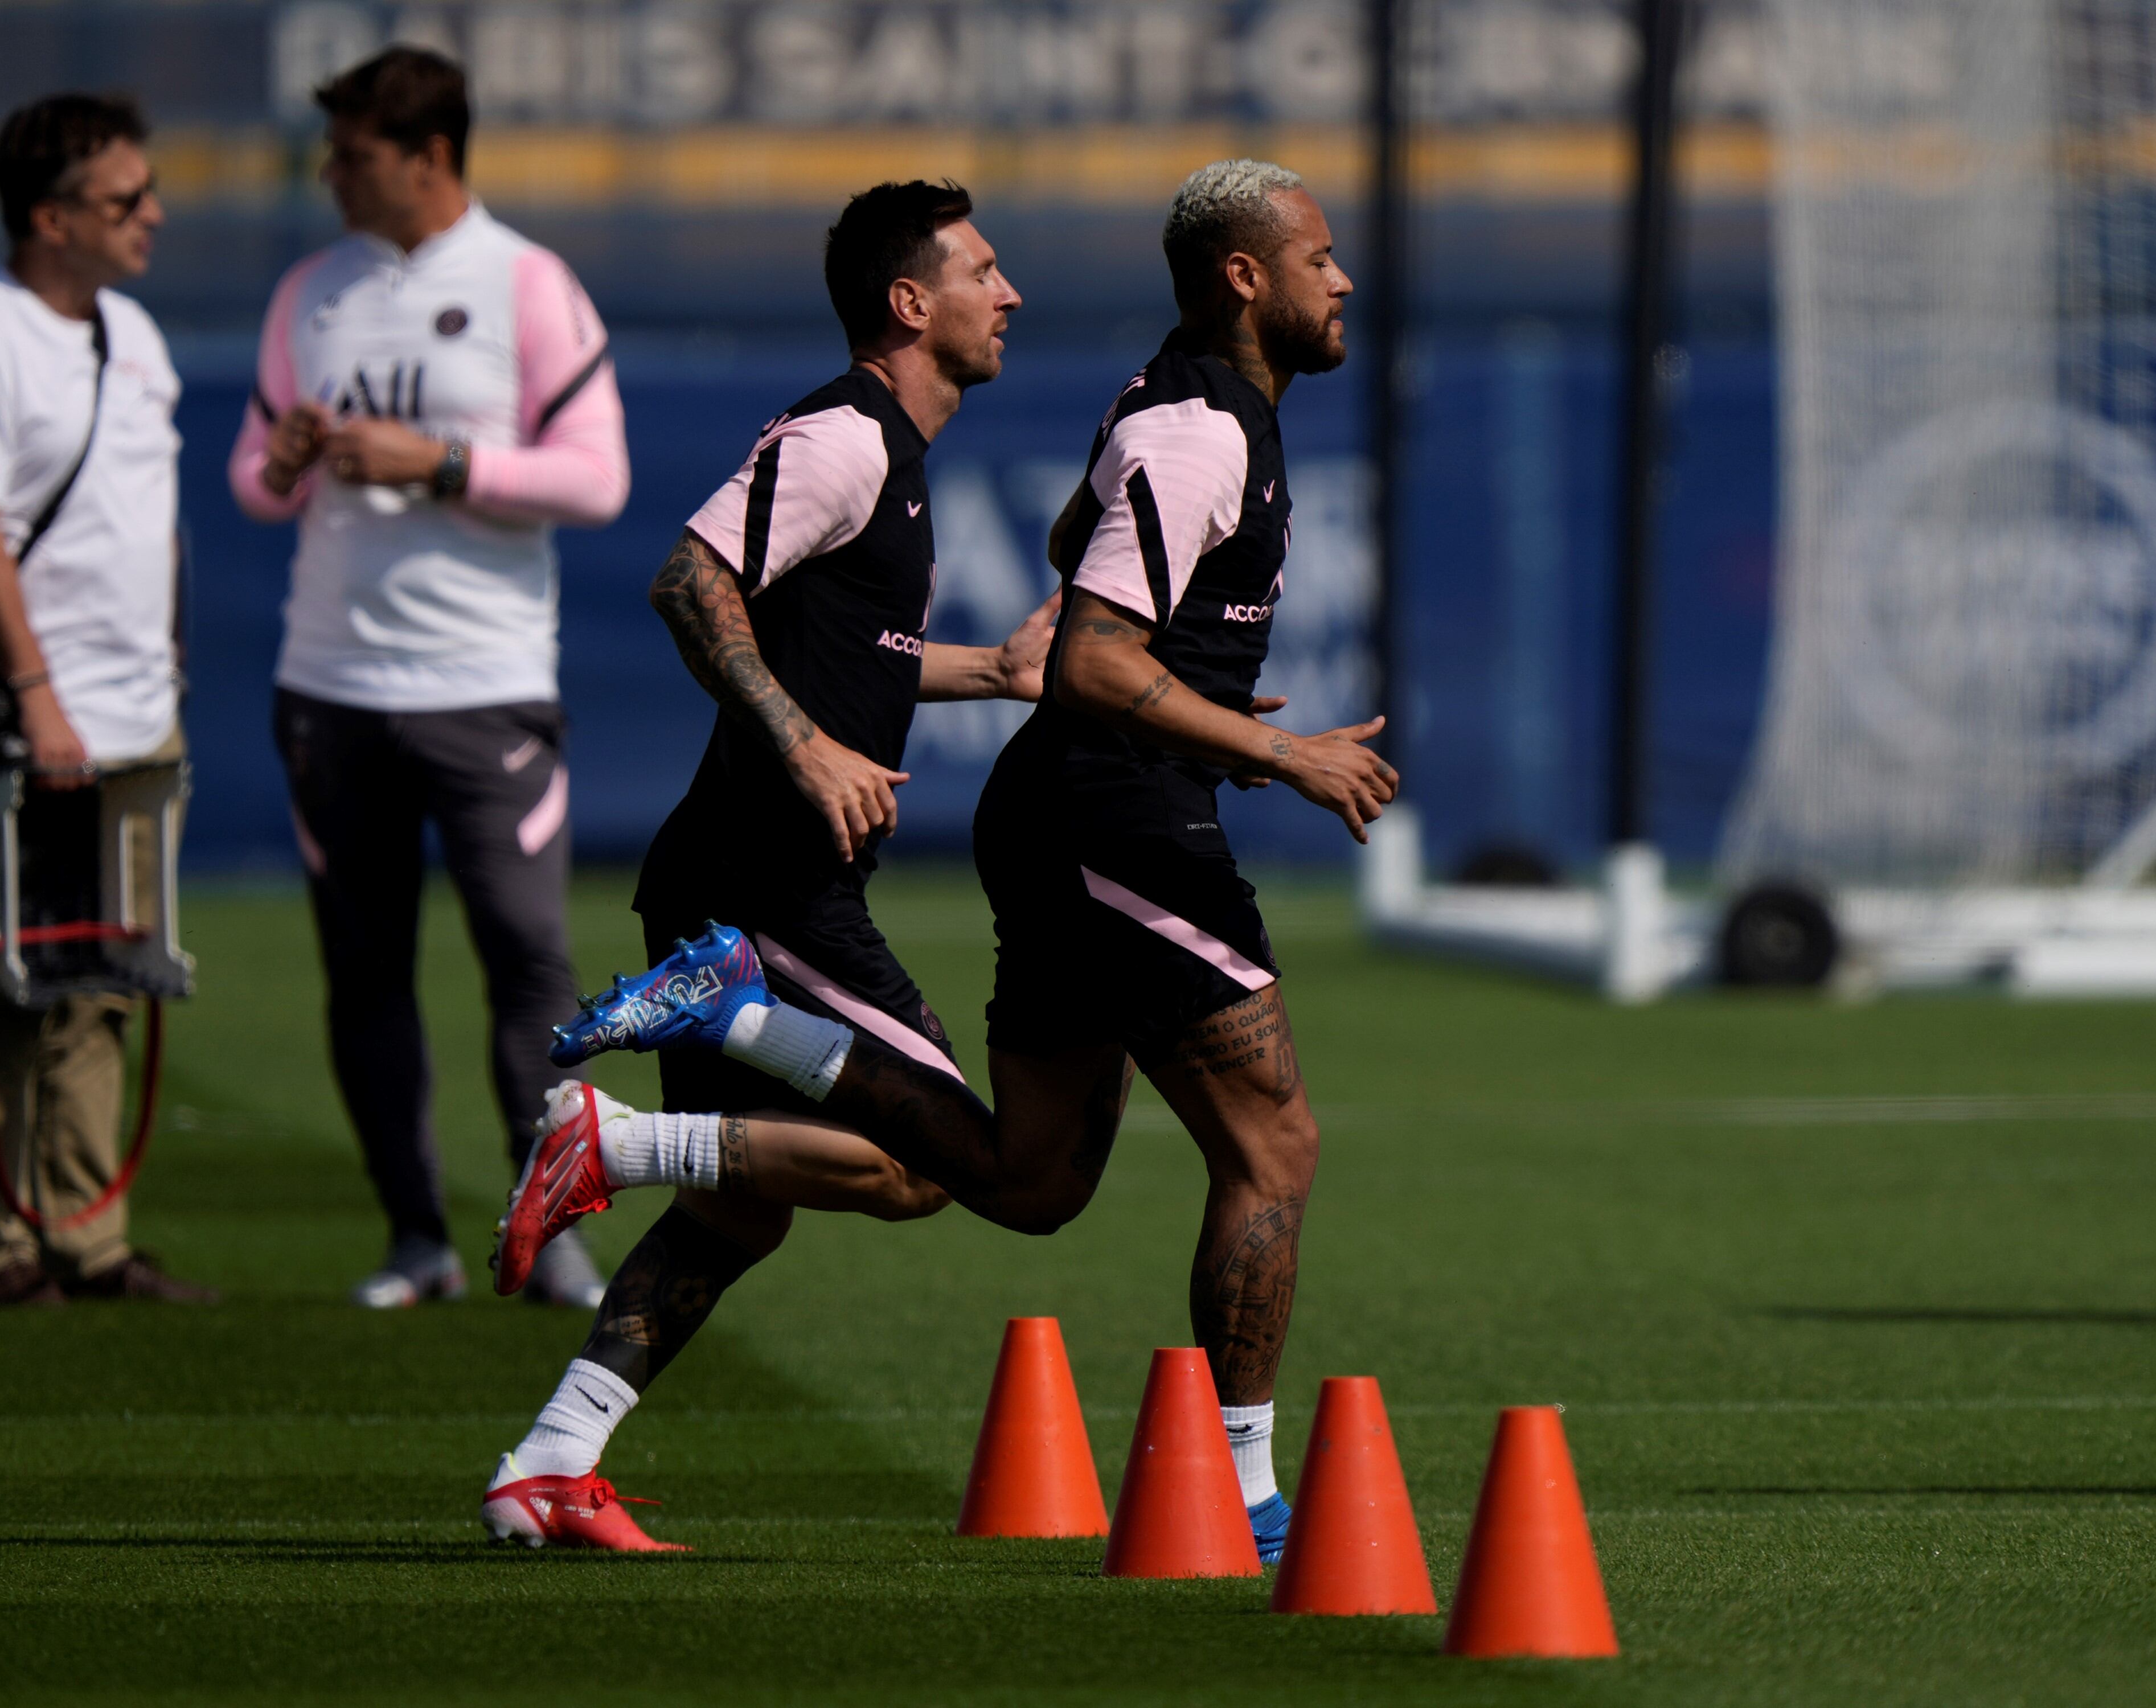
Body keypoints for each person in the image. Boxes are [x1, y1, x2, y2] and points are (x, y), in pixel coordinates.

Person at [537, 161, 1396, 1562]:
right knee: (1268, 1140)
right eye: (1320, 254)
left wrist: (1001, 668)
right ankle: (1244, 1499)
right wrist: (1272, 751)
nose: (1342, 276)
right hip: (996, 835)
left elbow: (1066, 573)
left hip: (1052, 819)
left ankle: (554, 1453)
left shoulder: (1146, 417)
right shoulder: (929, 435)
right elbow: (1084, 654)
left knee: (1018, 1180)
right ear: (1248, 276)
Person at [478, 180, 1052, 1550]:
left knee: (739, 1214)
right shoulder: (846, 436)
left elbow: (852, 661)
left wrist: (997, 673)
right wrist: (801, 747)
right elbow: (689, 579)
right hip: (762, 885)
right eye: (984, 269)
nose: (1010, 292)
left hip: (747, 881)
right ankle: (613, 1134)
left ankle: (547, 1465)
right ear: (913, 304)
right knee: (942, 1159)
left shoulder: (893, 458)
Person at [226, 47, 629, 1309]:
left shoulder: (527, 282)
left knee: (527, 957)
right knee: (365, 967)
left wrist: (441, 463)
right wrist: (286, 458)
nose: (332, 176)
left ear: (431, 156)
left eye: (354, 155)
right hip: (331, 684)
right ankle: (416, 1239)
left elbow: (596, 480)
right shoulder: (311, 290)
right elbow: (251, 480)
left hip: (484, 681)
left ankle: (549, 1232)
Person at [0, 93, 214, 1304]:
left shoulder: (135, 332)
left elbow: (150, 520)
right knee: (15, 979)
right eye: (124, 199)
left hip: (140, 706)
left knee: (110, 980)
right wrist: (37, 696)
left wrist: (170, 653)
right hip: (36, 711)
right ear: (48, 218)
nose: (154, 215)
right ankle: (2, 1245)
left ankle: (88, 1237)